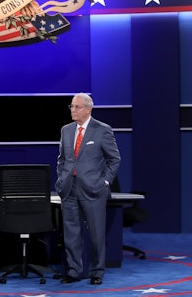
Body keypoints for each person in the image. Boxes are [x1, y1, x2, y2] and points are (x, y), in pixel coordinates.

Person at [55, 92, 120, 285]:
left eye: (76, 107)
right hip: (68, 188)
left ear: (88, 109)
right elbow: (62, 159)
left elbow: (114, 159)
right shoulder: (66, 130)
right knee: (71, 233)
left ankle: (97, 272)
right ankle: (74, 271)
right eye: (71, 107)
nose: (72, 110)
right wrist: (61, 179)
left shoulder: (102, 130)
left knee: (96, 233)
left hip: (93, 189)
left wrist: (105, 181)